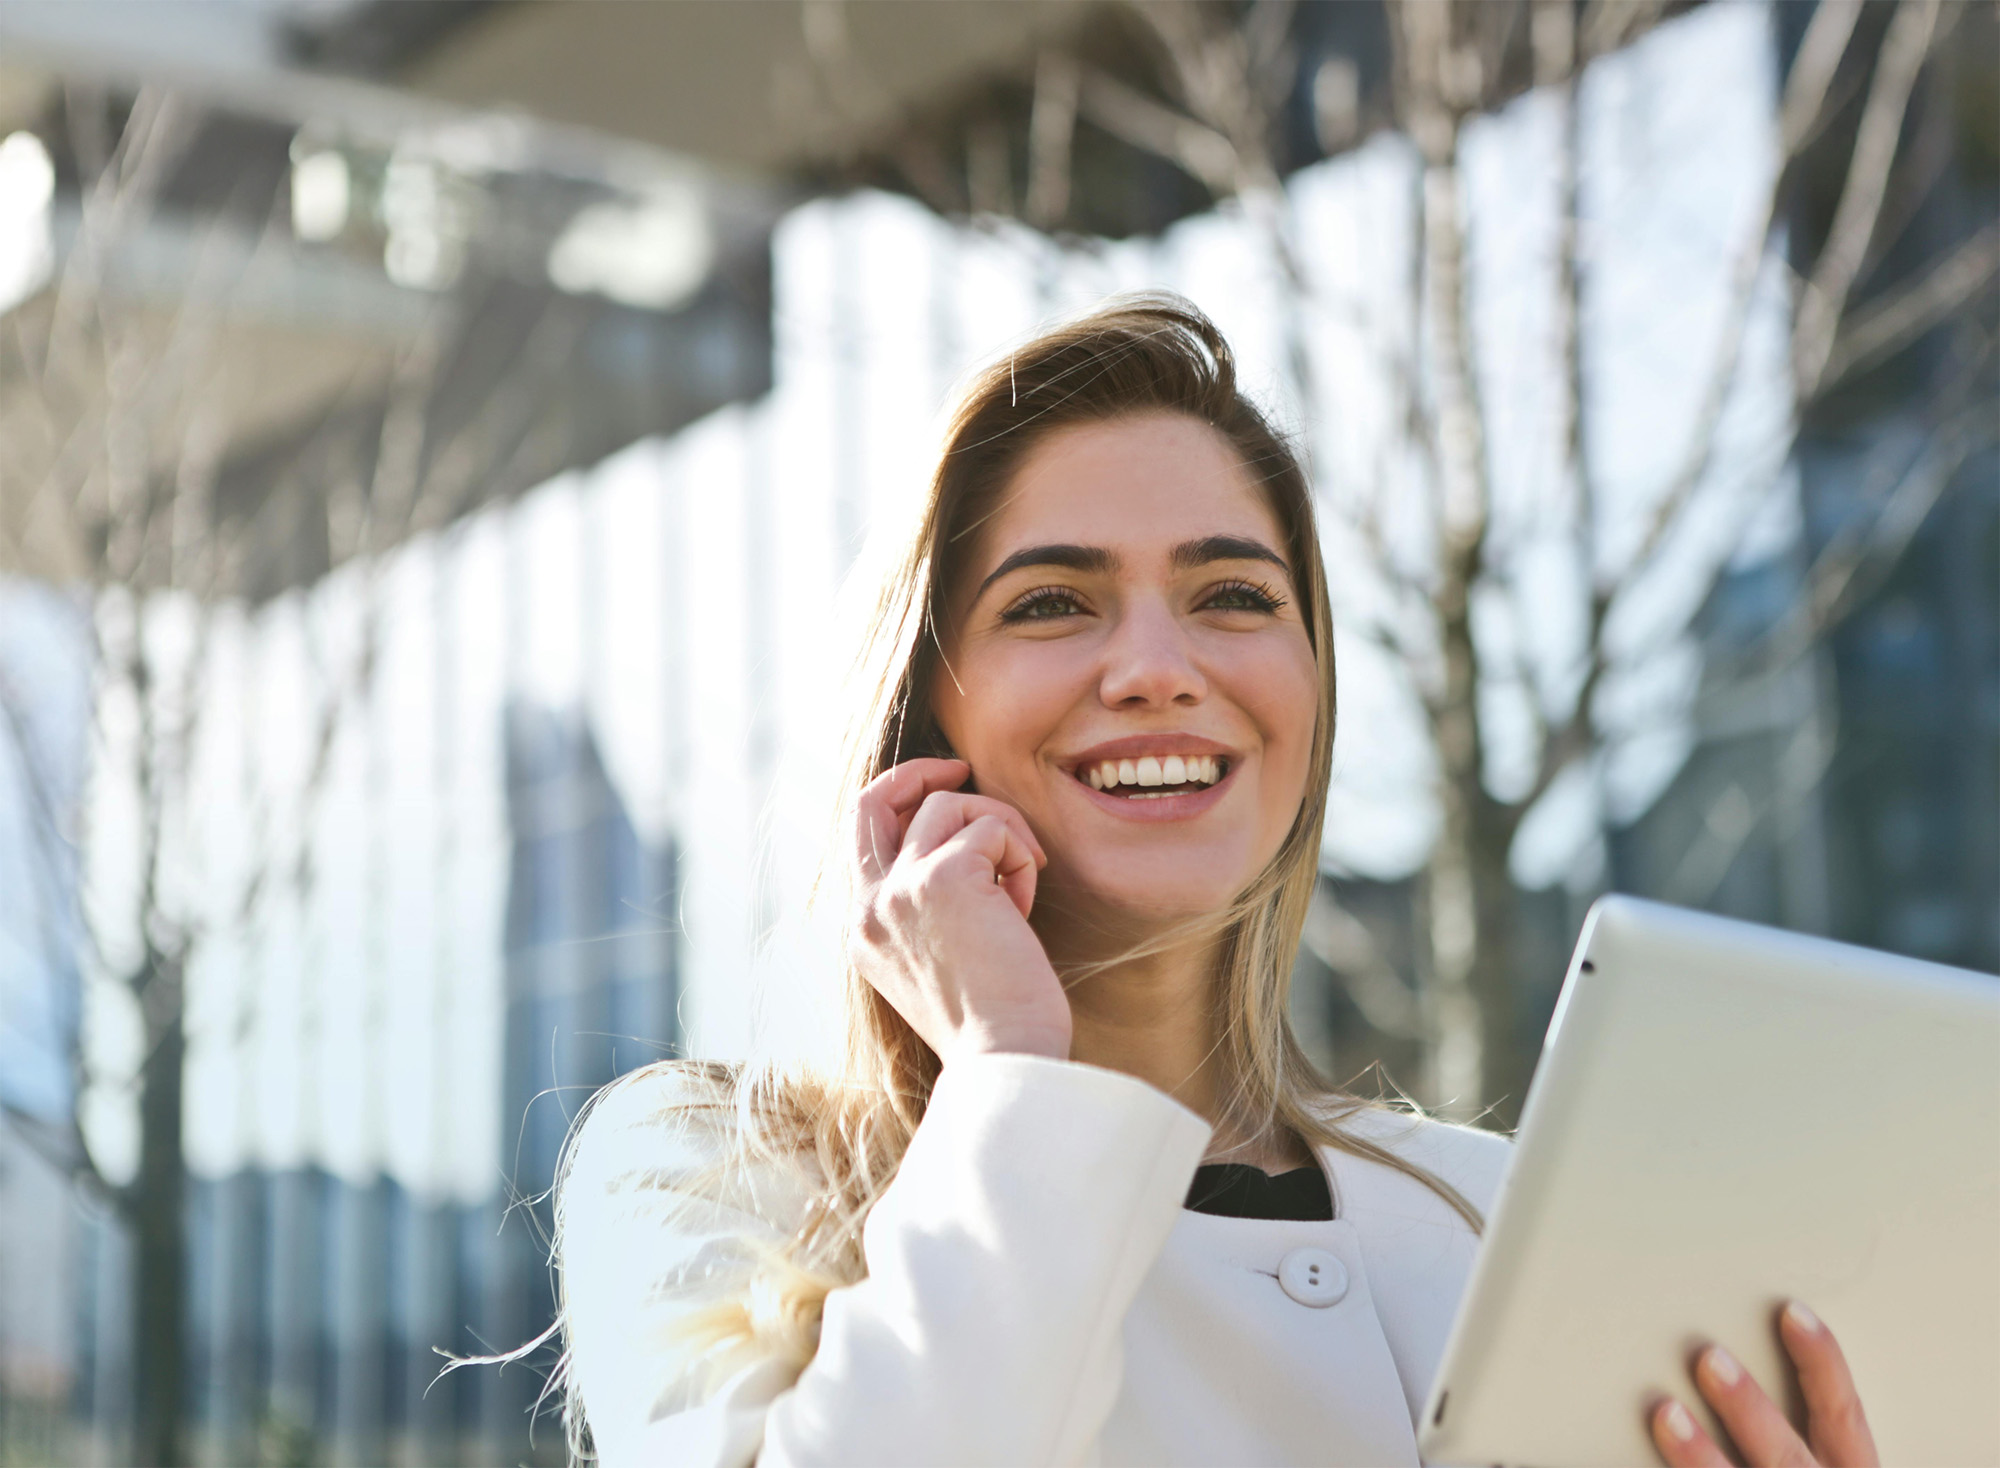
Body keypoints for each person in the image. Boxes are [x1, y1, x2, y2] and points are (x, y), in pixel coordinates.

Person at [551, 297, 1878, 1467]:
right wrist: (1015, 1070)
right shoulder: (701, 1176)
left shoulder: (1496, 1216)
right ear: (921, 714)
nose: (1156, 667)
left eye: (1235, 596)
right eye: (1052, 603)